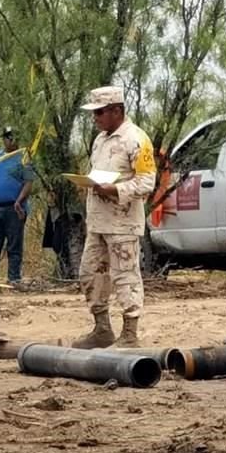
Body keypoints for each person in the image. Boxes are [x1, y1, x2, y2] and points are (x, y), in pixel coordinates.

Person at [72, 85, 156, 349]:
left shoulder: (136, 139)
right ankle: (102, 329)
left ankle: (130, 333)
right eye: (94, 112)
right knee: (90, 273)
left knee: (125, 276)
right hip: (98, 222)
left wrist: (116, 190)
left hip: (123, 223)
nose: (95, 118)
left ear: (116, 111)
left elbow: (147, 181)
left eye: (100, 112)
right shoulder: (100, 141)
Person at [0, 127, 34, 284]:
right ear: (3, 139)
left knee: (14, 246)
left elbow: (28, 183)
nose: (11, 140)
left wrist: (19, 201)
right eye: (8, 137)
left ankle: (14, 279)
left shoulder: (24, 157)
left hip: (15, 209)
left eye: (14, 137)